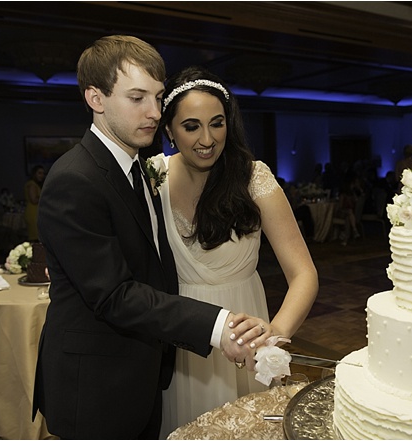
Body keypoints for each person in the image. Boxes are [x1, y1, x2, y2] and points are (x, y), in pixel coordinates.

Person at [31, 35, 265, 440]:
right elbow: (113, 294)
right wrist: (217, 323)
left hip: (141, 373)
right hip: (96, 387)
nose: (154, 113)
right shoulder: (75, 179)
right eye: (137, 98)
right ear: (95, 98)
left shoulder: (139, 168)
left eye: (158, 98)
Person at [155, 66, 318, 435]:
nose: (207, 139)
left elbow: (304, 274)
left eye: (217, 123)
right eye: (191, 126)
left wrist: (274, 336)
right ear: (168, 130)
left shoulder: (252, 177)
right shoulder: (153, 178)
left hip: (248, 332)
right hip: (181, 336)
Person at [24, 165, 45, 241]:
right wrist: (45, 198)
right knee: (35, 238)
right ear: (34, 174)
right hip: (33, 212)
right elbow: (33, 199)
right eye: (39, 173)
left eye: (43, 173)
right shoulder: (32, 184)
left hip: (36, 212)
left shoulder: (35, 184)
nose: (42, 175)